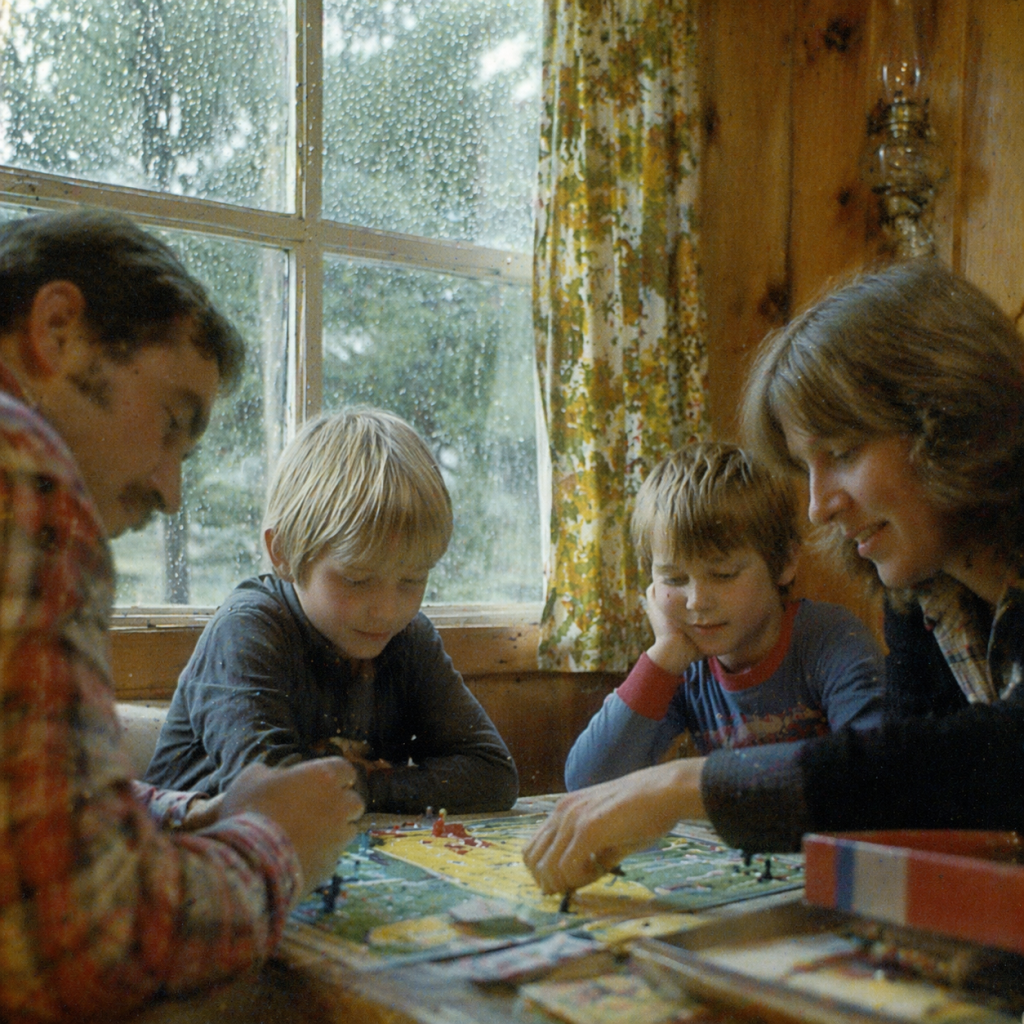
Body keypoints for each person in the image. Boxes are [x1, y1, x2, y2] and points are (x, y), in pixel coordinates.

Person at [524, 257, 1024, 895]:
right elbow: (911, 787)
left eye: (841, 453)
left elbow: (1006, 757)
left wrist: (687, 784)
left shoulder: (839, 633)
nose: (818, 506)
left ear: (952, 420)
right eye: (805, 467)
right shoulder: (923, 600)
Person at [0, 208, 363, 1022]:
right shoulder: (20, 468)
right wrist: (278, 847)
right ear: (56, 330)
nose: (169, 492)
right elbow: (97, 942)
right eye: (172, 426)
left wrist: (193, 812)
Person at [145, 407, 519, 814]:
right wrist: (380, 781)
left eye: (412, 580)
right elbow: (273, 795)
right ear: (283, 552)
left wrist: (363, 785)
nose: (388, 610)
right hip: (194, 865)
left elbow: (493, 774)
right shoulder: (247, 630)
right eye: (357, 579)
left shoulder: (409, 638)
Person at [564, 441, 884, 791]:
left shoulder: (829, 639)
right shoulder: (682, 663)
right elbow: (586, 781)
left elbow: (876, 768)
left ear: (786, 563)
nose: (697, 602)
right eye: (674, 579)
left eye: (724, 574)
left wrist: (695, 782)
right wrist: (664, 657)